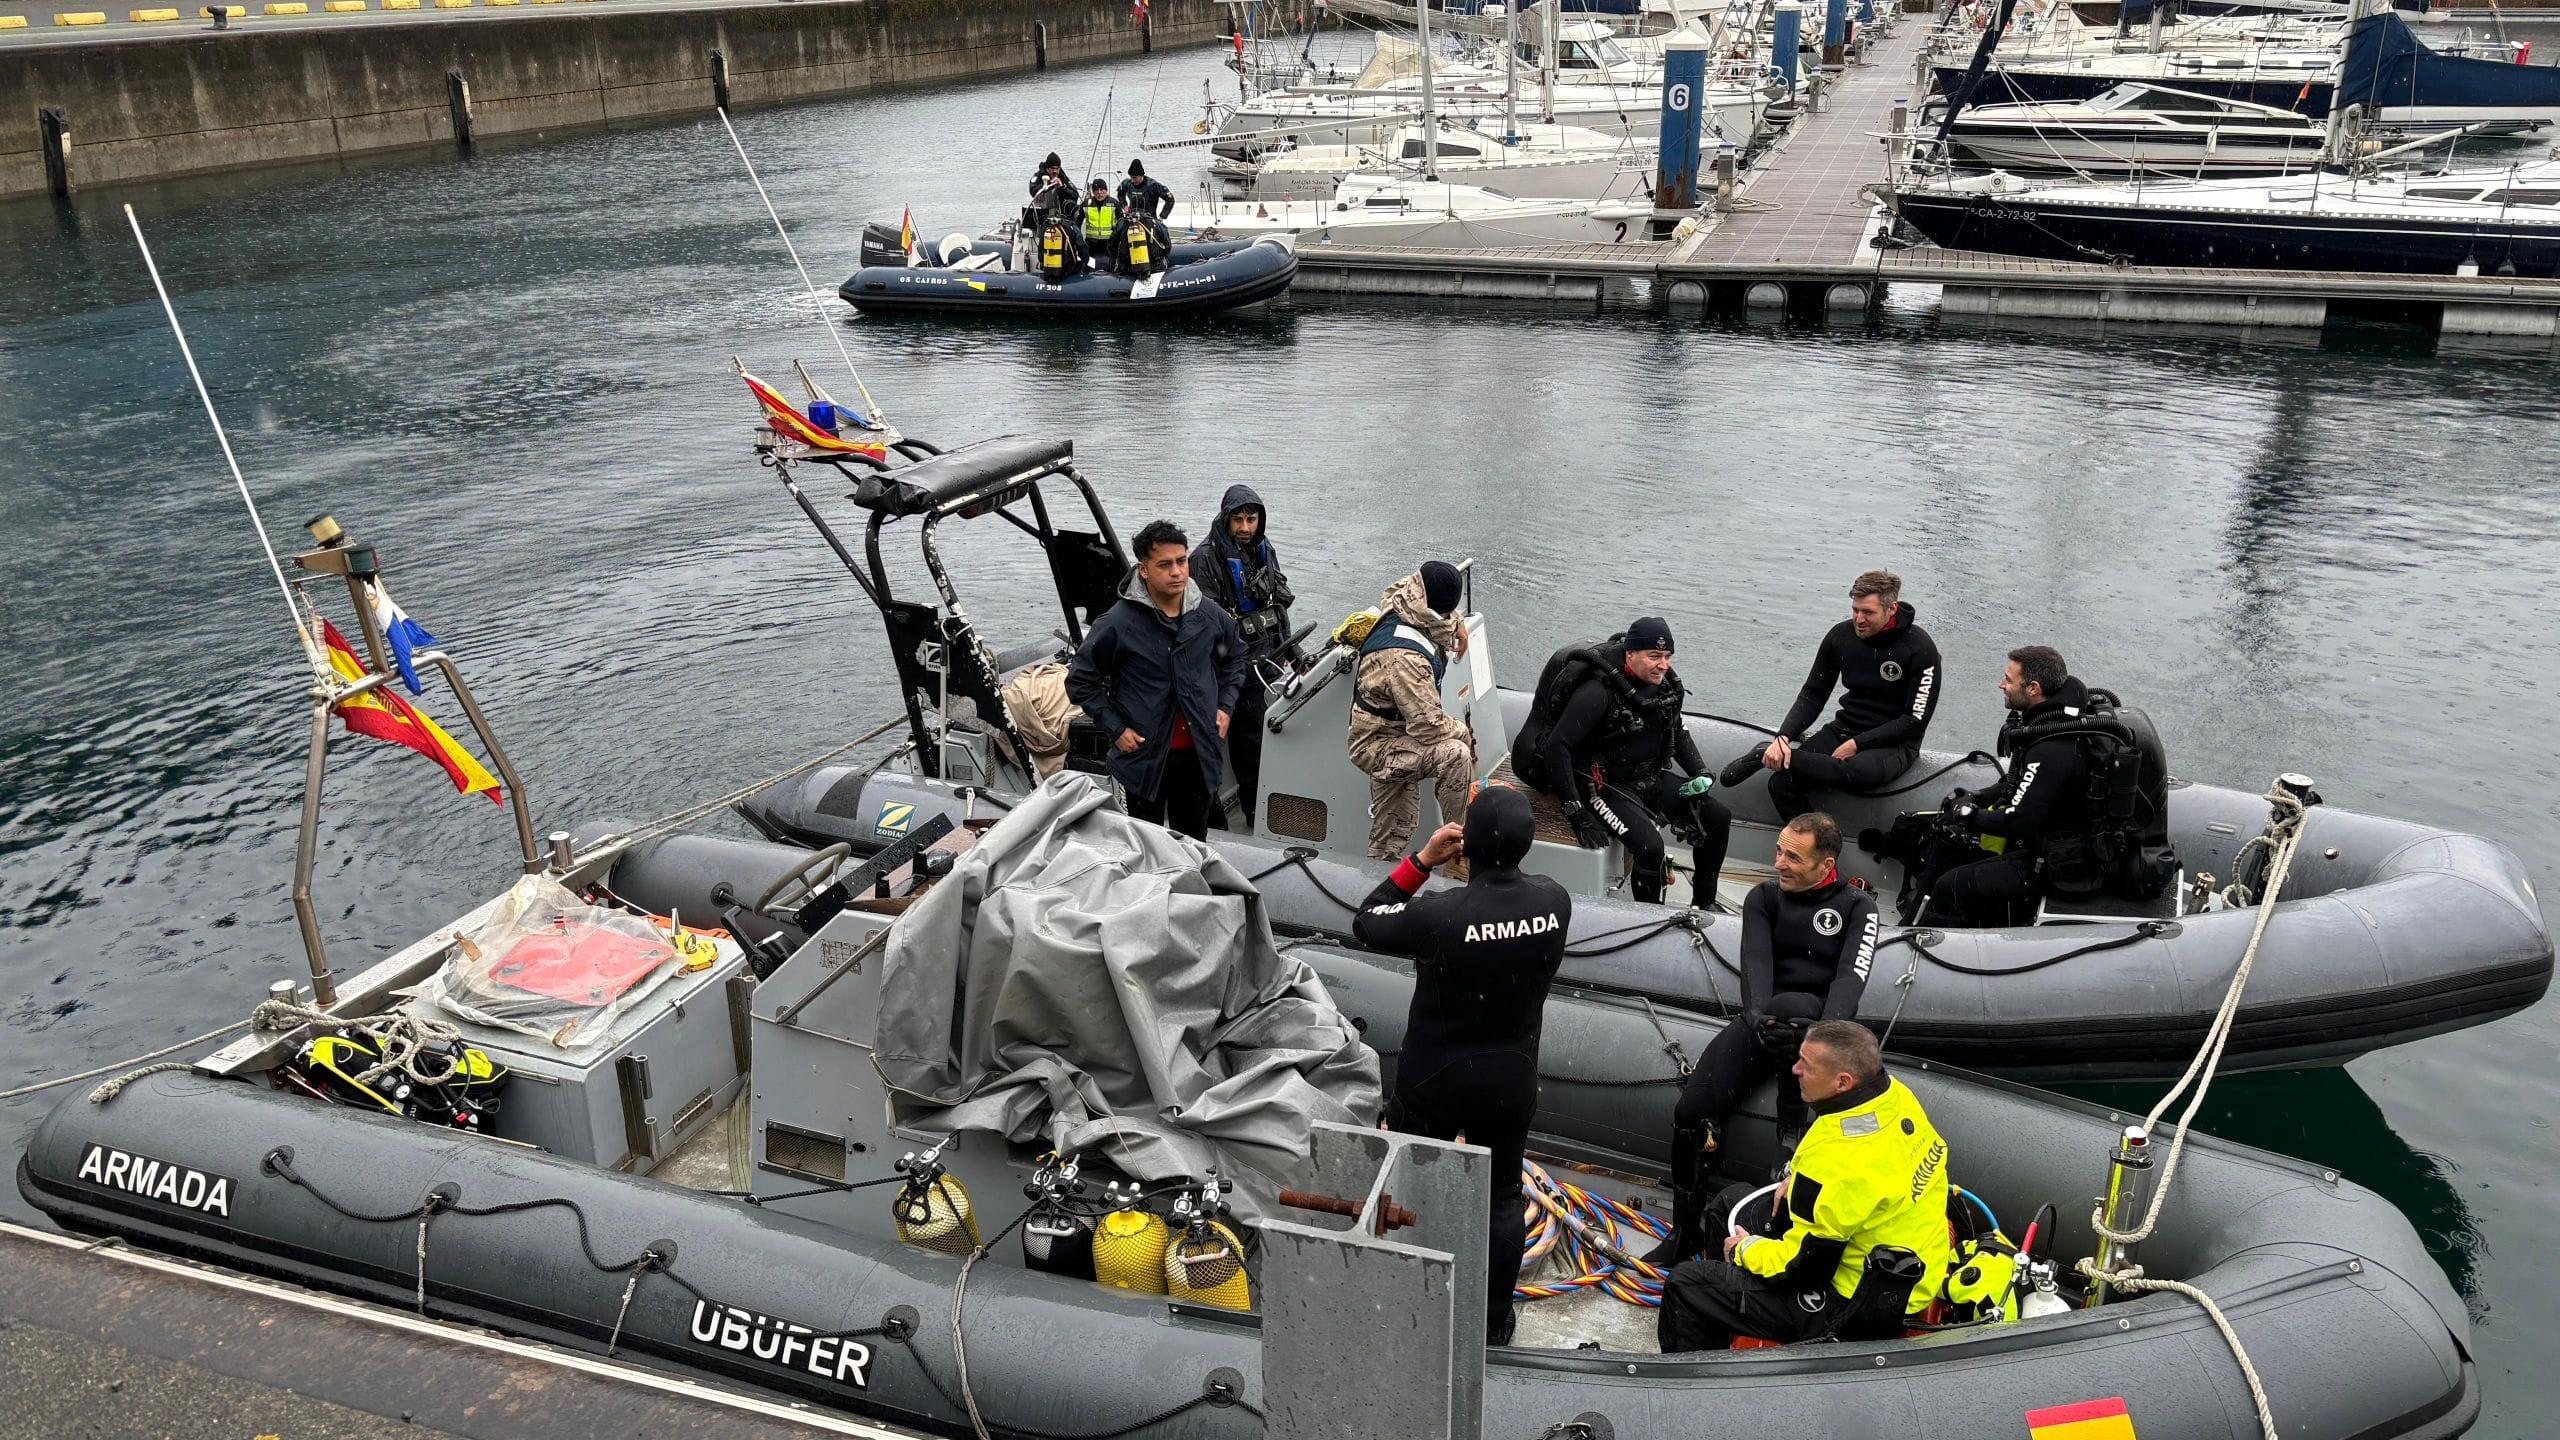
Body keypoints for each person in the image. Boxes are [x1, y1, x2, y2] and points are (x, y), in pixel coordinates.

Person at [1352, 787, 1570, 1347]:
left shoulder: (1440, 913)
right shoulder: (1555, 899)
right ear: (1528, 842)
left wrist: (1422, 861)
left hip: (1436, 1080)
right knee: (1503, 1199)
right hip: (1510, 1077)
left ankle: (1394, 1302)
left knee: (1405, 1185)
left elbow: (1367, 921)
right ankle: (1495, 1322)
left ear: (1465, 846)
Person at [1645, 813, 1877, 1264]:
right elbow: (1756, 968)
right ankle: (1686, 1230)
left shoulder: (1857, 906)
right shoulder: (1763, 898)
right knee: (1690, 1110)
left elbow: (1850, 980)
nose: (1779, 864)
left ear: (1826, 864)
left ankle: (1792, 1151)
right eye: (1778, 851)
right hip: (1767, 1025)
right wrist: (1760, 1024)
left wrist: (1817, 1038)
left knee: (1798, 1009)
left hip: (1824, 1032)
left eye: (1794, 856)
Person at [1657, 1020, 1952, 1353]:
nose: (1795, 1069)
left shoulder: (1838, 1165)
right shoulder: (1892, 1096)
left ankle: (1706, 1381)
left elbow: (1804, 1270)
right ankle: (1729, 1318)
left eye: (1806, 1066)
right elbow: (1858, 1161)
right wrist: (1794, 1176)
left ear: (1842, 1081)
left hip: (1853, 1304)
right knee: (1729, 1202)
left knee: (1685, 1285)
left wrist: (1744, 1250)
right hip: (1905, 1263)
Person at [1511, 617, 1734, 907]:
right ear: (1631, 654)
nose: (1663, 665)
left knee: (1718, 817)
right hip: (1605, 788)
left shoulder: (1664, 687)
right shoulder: (1598, 692)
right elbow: (1557, 746)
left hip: (1648, 777)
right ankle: (1648, 918)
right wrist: (1576, 813)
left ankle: (1704, 902)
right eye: (1654, 656)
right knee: (1649, 848)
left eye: (1667, 657)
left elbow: (1676, 733)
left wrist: (1700, 771)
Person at [1066, 521, 1245, 840]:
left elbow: (1235, 657)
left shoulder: (1208, 614)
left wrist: (1225, 706)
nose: (1177, 572)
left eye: (1182, 561)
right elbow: (1080, 680)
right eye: (1165, 564)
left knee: (1193, 840)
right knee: (1146, 843)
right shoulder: (1118, 623)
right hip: (1145, 760)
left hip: (1199, 754)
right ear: (1144, 570)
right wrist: (1115, 728)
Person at [1721, 571, 1943, 821]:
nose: (1859, 619)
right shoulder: (1841, 636)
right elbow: (1813, 695)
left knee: (1856, 774)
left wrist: (1857, 744)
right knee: (1781, 785)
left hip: (1894, 743)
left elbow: (1914, 722)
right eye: (1855, 610)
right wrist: (1784, 736)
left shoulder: (1920, 648)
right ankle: (1816, 854)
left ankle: (1778, 756)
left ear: (1891, 609)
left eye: (1867, 612)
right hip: (1845, 728)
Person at [1904, 645, 2096, 927]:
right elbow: (2014, 784)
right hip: (2044, 846)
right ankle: (1908, 927)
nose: (2001, 684)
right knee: (1948, 843)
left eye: (2008, 679)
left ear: (2033, 689)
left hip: (2056, 865)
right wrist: (1977, 797)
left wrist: (1969, 816)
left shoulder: (2052, 748)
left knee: (1952, 885)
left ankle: (1926, 948)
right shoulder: (2050, 726)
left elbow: (2020, 820)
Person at [1348, 563, 1476, 861]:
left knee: (1392, 828)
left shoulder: (1401, 597)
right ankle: (1461, 841)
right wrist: (1464, 732)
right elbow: (1428, 727)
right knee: (1457, 754)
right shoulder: (1405, 658)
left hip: (1396, 729)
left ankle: (1381, 868)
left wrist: (1455, 622)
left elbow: (1417, 585)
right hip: (1377, 744)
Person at [1189, 485, 1297, 829]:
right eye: (1239, 519)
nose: (1245, 527)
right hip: (1233, 664)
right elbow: (1205, 624)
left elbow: (1276, 607)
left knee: (1274, 731)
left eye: (1251, 519)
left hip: (1270, 655)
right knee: (1249, 740)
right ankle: (1255, 812)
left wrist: (1294, 653)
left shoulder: (1263, 549)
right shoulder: (1205, 560)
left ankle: (1275, 798)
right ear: (1227, 518)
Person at [1081, 177, 1122, 275]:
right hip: (1091, 242)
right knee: (1089, 264)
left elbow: (1121, 222)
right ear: (1093, 192)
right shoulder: (1086, 204)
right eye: (1096, 190)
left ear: (1106, 191)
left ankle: (1111, 274)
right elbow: (1078, 222)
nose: (1099, 193)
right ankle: (1089, 276)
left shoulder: (1114, 203)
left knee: (1110, 263)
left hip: (1108, 242)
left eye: (1102, 190)